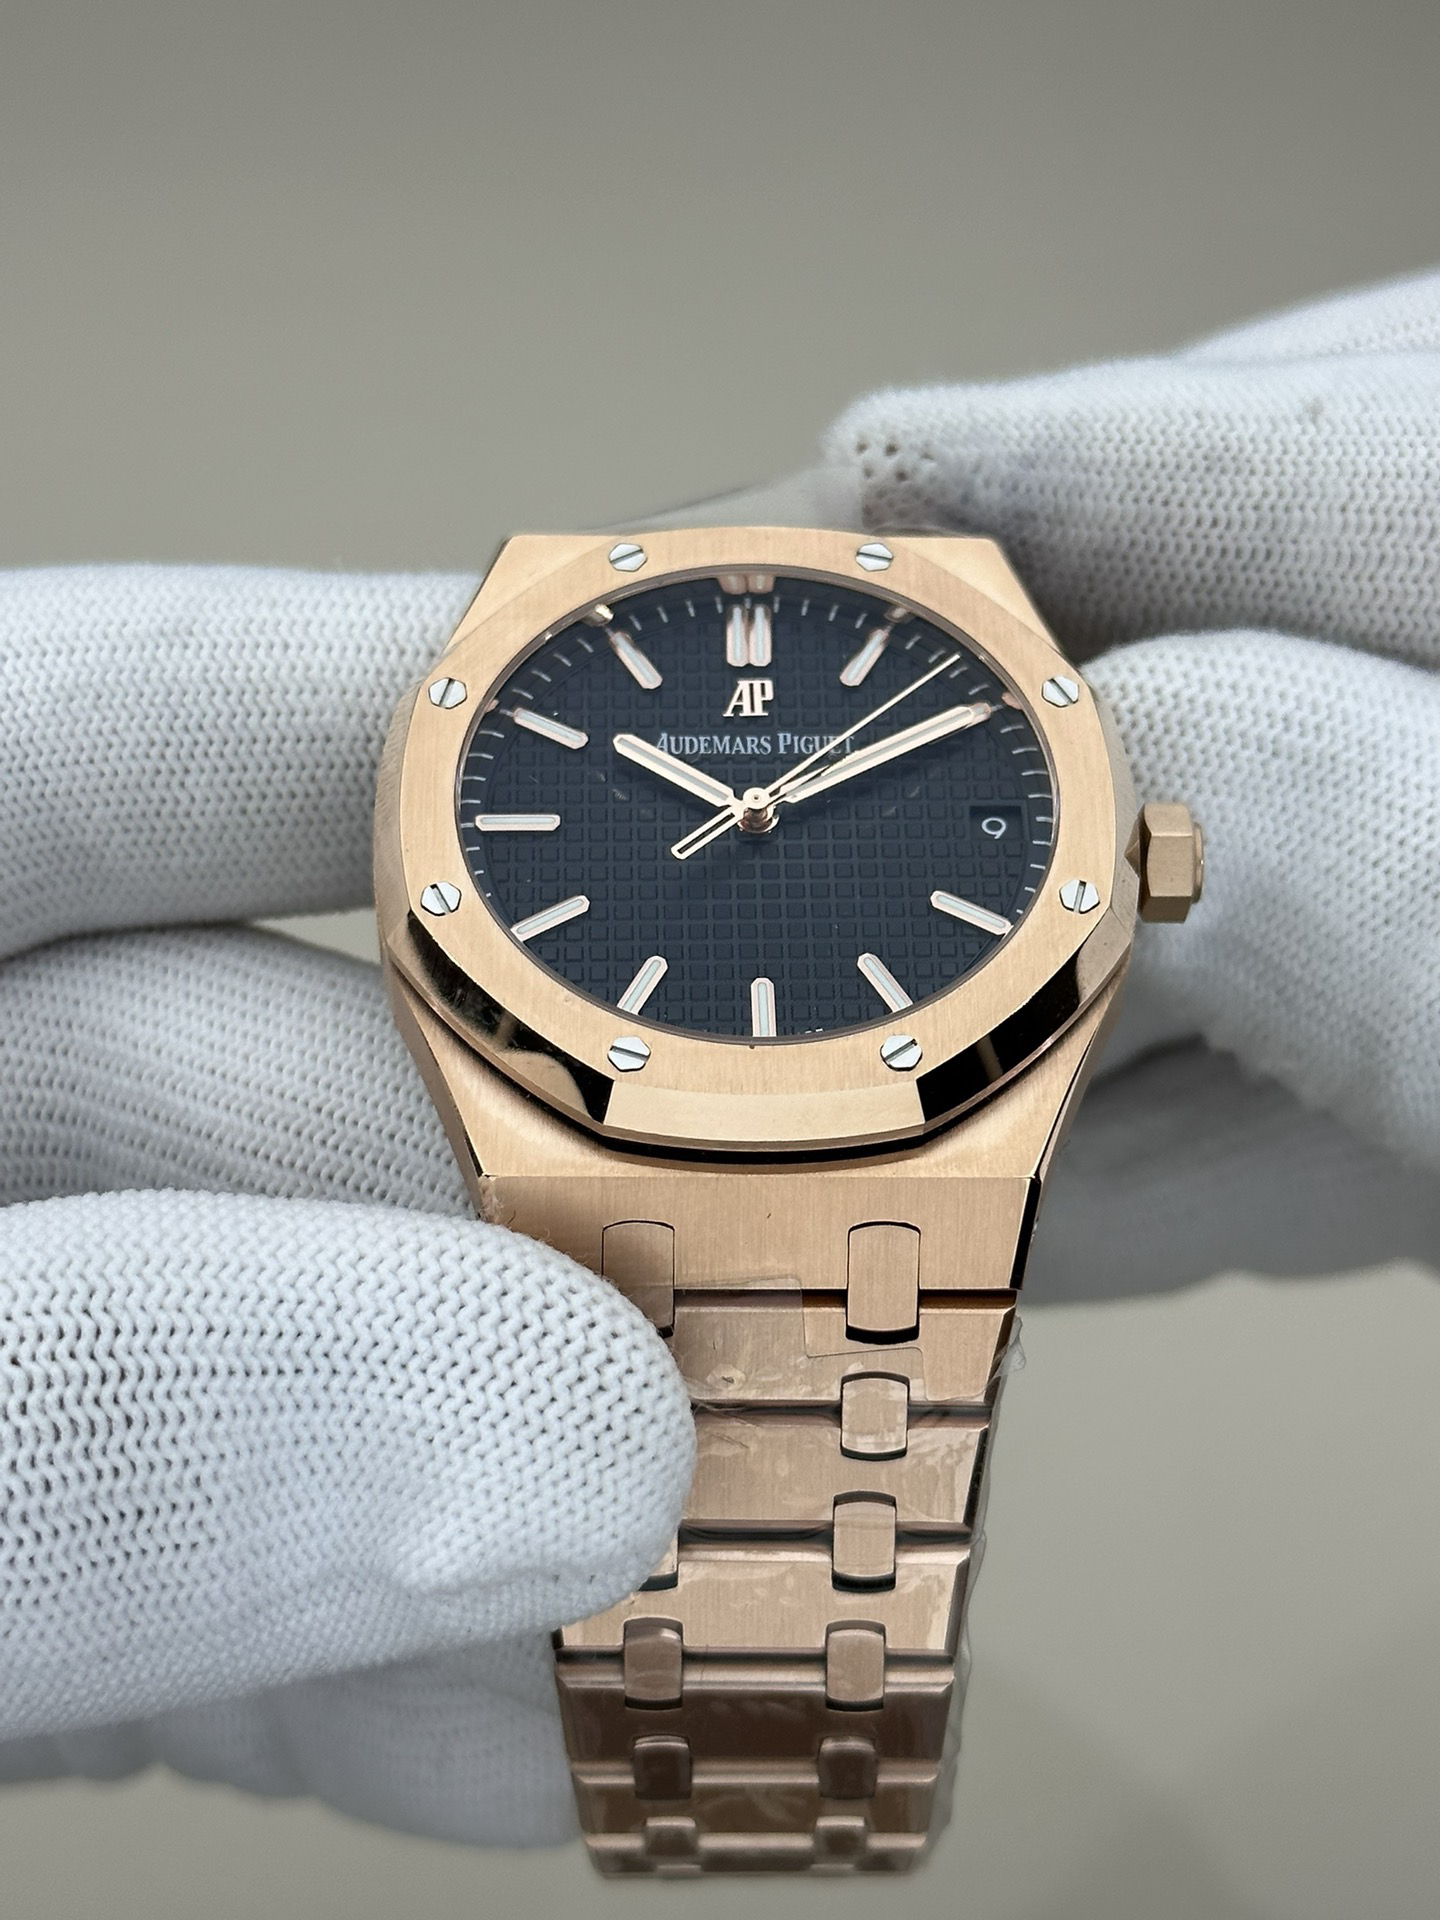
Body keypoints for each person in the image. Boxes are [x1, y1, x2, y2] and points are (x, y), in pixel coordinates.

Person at [1, 270, 1436, 1844]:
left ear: (1142, 859)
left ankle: (791, 1785)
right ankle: (764, 1785)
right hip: (650, 1117)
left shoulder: (1014, 790)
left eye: (766, 800)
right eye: (732, 802)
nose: (752, 809)